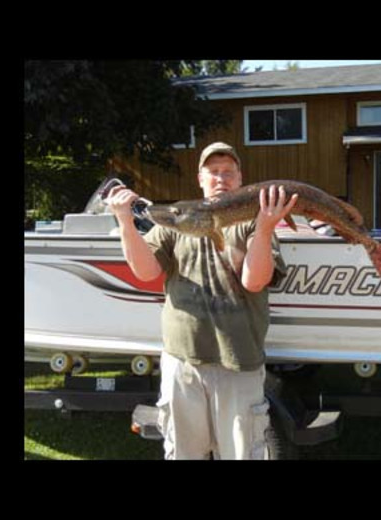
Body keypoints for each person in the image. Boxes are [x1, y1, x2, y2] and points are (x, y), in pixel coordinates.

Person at [106, 142, 297, 460]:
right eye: (213, 172)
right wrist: (125, 222)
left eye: (228, 172)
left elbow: (255, 280)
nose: (221, 178)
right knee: (183, 453)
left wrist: (264, 229)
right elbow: (146, 271)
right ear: (200, 179)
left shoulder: (253, 220)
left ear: (240, 179)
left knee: (243, 453)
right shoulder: (177, 220)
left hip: (239, 365)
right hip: (182, 364)